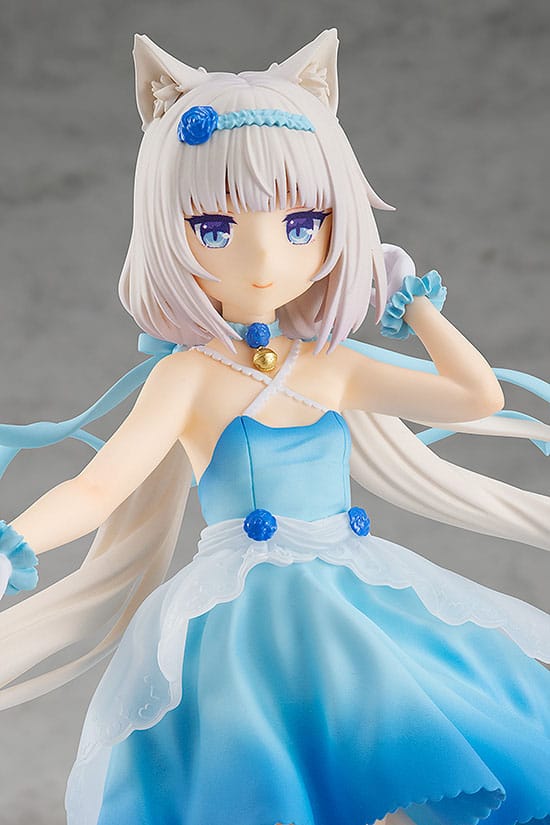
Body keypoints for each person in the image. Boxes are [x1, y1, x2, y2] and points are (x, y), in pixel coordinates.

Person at [1, 29, 549, 825]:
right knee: (277, 783)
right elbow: (97, 488)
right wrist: (16, 539)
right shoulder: (187, 376)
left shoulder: (328, 363)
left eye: (300, 224)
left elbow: (476, 397)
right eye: (215, 229)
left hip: (353, 591)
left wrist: (415, 307)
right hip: (249, 613)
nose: (264, 257)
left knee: (406, 751)